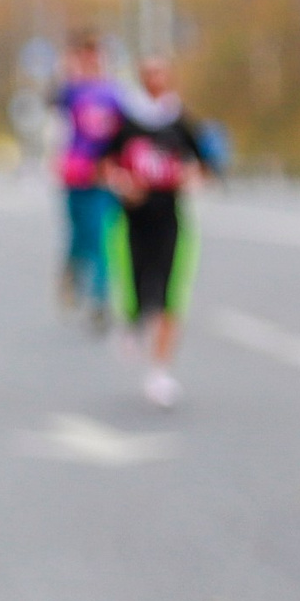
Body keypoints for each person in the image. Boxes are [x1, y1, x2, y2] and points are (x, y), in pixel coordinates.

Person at [100, 57, 218, 408]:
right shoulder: (127, 120)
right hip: (132, 218)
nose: (156, 79)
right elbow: (106, 163)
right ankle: (132, 320)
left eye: (163, 73)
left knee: (169, 295)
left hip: (170, 217)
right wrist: (123, 183)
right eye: (150, 73)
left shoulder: (180, 121)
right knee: (135, 288)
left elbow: (204, 164)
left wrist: (190, 177)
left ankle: (160, 372)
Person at [52, 34, 121, 326]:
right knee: (80, 235)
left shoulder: (116, 94)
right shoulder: (72, 92)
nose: (91, 62)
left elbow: (127, 132)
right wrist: (68, 70)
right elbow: (54, 103)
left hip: (105, 177)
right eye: (85, 56)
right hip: (76, 175)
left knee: (102, 238)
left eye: (95, 56)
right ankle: (72, 268)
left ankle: (100, 299)